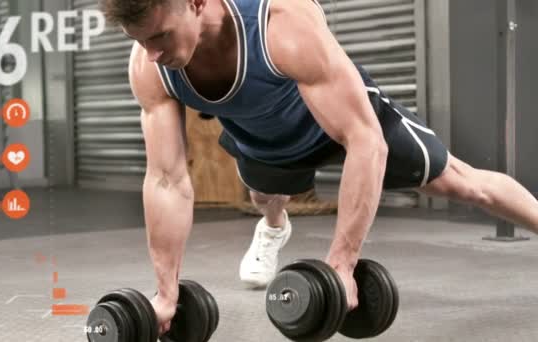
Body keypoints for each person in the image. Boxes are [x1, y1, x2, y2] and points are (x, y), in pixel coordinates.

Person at [100, 0, 538, 335]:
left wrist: (342, 266)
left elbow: (365, 140)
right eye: (139, 40)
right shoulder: (150, 69)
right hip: (265, 141)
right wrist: (165, 293)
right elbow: (166, 180)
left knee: (462, 185)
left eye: (160, 36)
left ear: (196, 3)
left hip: (340, 121)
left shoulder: (280, 24)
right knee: (263, 197)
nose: (152, 53)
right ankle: (274, 228)